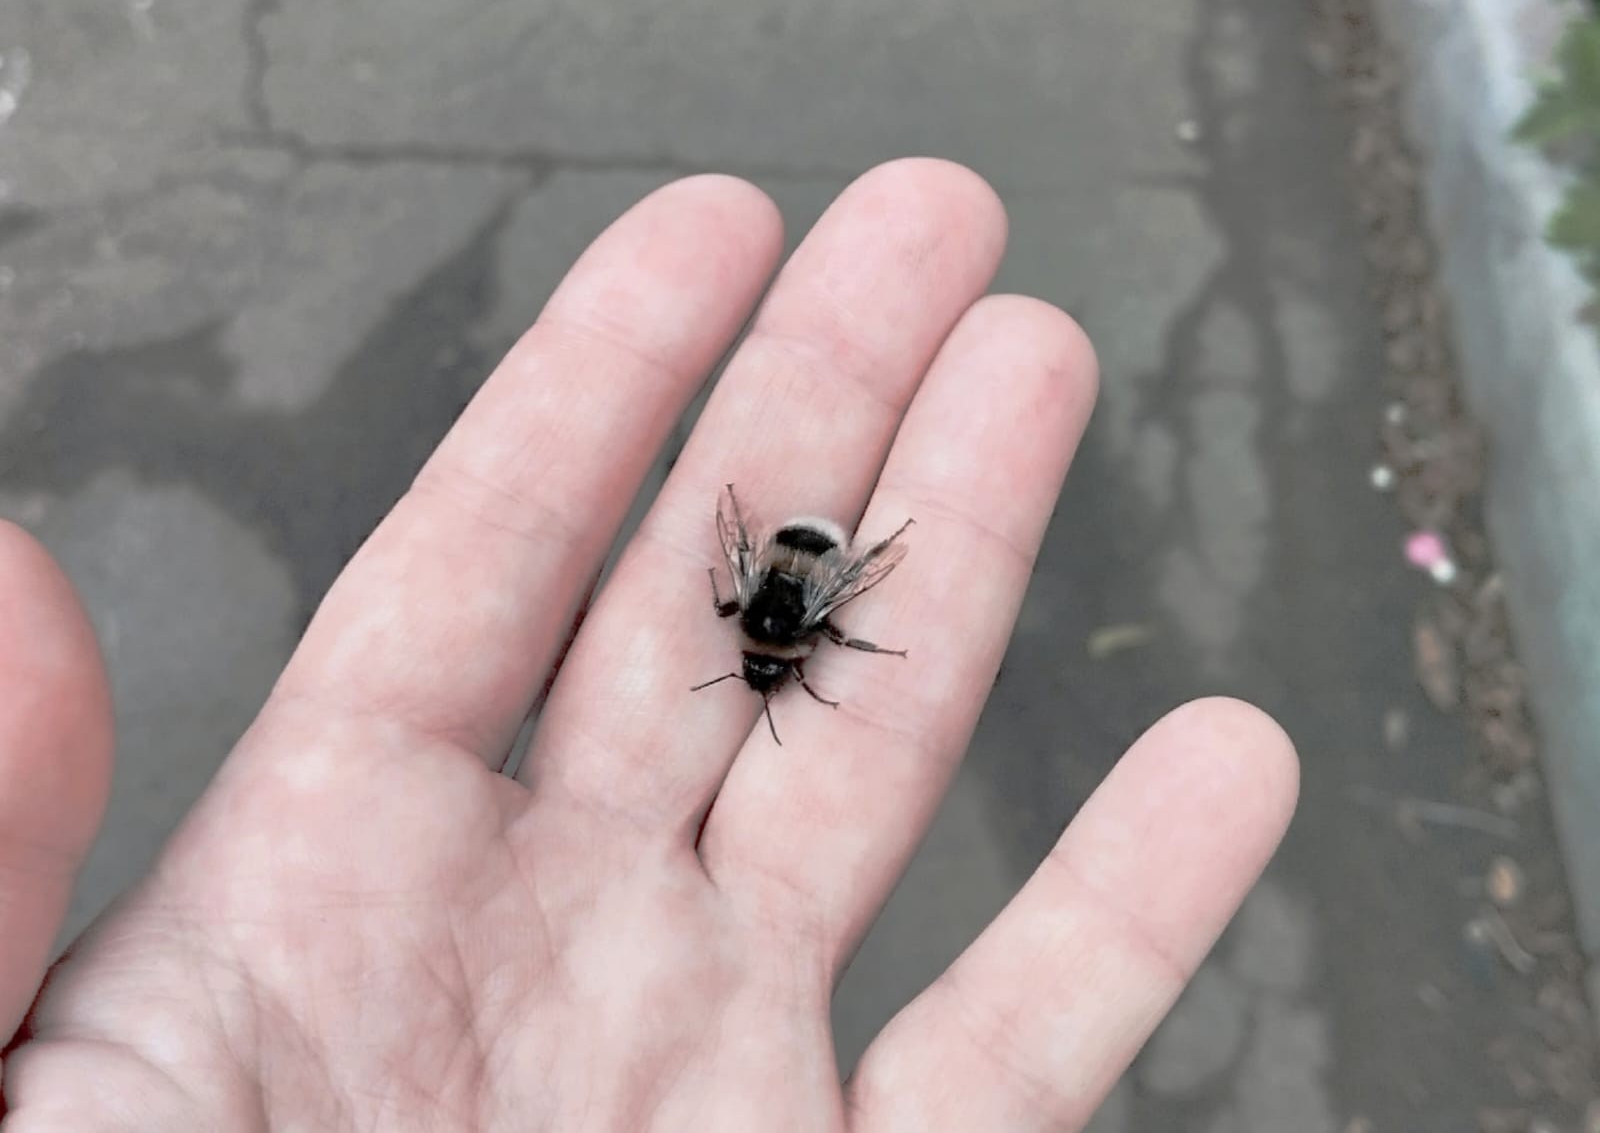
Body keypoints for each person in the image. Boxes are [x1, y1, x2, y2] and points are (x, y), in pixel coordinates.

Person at [0, 160, 1297, 1130]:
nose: (768, 672)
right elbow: (810, 599)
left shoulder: (764, 627)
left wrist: (797, 593)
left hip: (799, 554)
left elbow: (783, 593)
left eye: (771, 668)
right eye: (772, 671)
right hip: (807, 554)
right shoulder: (784, 634)